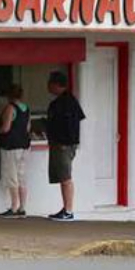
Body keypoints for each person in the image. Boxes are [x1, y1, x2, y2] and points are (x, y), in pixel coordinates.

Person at [45, 71, 84, 222]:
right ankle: (65, 208)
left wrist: (65, 141)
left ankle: (68, 210)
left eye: (50, 83)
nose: (48, 86)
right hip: (62, 143)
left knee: (66, 177)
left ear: (56, 84)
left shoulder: (66, 103)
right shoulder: (67, 101)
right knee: (62, 177)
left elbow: (70, 124)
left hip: (64, 145)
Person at [0, 84, 31, 218]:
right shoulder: (26, 109)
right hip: (24, 145)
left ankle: (14, 207)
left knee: (12, 176)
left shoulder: (10, 108)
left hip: (11, 145)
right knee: (22, 176)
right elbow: (28, 128)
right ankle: (22, 208)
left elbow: (6, 128)